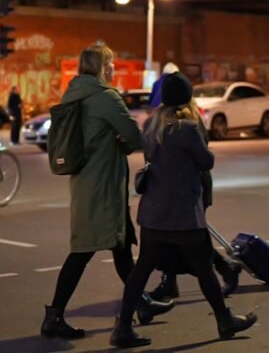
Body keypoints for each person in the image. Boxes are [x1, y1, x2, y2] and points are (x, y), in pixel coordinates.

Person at [111, 72, 256, 348]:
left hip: (154, 214)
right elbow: (206, 161)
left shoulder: (152, 125)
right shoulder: (186, 128)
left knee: (141, 270)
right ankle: (225, 320)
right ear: (187, 98)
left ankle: (124, 327)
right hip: (183, 215)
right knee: (204, 269)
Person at [40, 44, 173, 340]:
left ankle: (142, 303)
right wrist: (120, 141)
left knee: (121, 246)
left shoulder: (74, 93)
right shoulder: (105, 97)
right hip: (103, 186)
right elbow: (134, 136)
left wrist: (113, 139)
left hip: (86, 182)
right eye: (110, 63)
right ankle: (54, 316)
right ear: (102, 67)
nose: (113, 68)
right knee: (83, 251)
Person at [148, 123, 242, 301]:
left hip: (191, 185)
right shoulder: (168, 120)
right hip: (179, 186)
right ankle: (171, 282)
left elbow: (203, 157)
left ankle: (223, 271)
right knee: (177, 236)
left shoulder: (186, 123)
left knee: (190, 237)